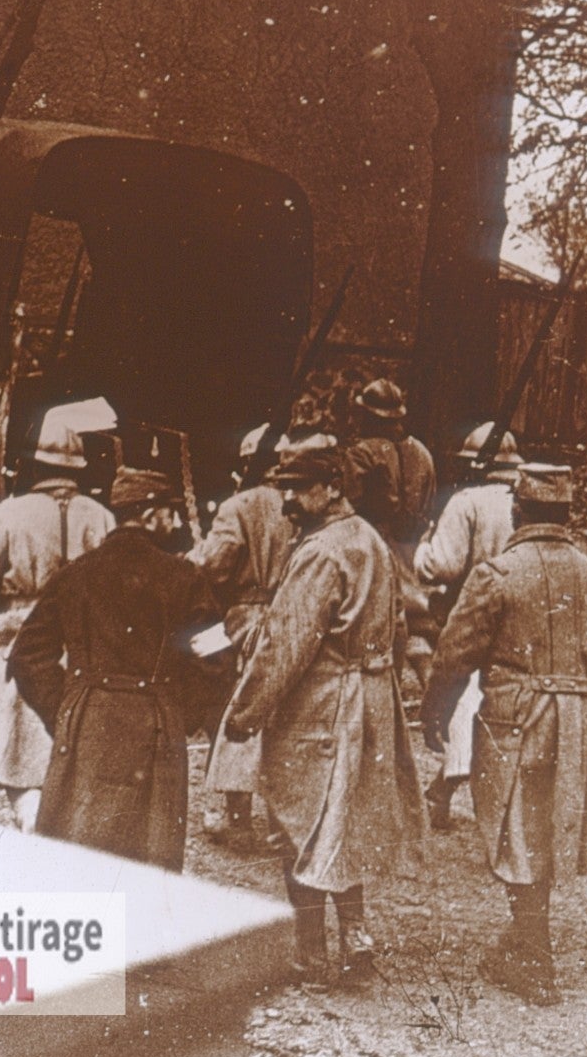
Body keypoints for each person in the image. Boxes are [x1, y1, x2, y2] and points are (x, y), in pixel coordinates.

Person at [222, 443, 425, 991]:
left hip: (321, 705)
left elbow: (287, 643)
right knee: (342, 824)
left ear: (334, 486)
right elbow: (400, 625)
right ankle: (356, 938)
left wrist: (246, 712)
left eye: (300, 486)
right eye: (284, 485)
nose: (288, 498)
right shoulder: (372, 542)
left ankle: (311, 958)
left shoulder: (322, 552)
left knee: (300, 825)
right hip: (370, 698)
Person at [423, 463, 587, 1007]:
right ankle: (525, 940)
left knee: (517, 827)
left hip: (518, 719)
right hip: (575, 720)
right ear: (565, 514)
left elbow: (453, 655)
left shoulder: (498, 573)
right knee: (546, 828)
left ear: (519, 511)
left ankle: (534, 960)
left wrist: (435, 713)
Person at [8, 468, 228, 872]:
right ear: (148, 516)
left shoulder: (76, 574)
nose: (174, 522)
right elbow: (217, 661)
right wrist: (183, 715)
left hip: (87, 723)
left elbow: (26, 654)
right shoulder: (185, 577)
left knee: (79, 853)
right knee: (149, 858)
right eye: (168, 513)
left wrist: (65, 708)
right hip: (158, 727)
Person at [0, 414, 114, 833]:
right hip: (81, 633)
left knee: (15, 737)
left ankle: (30, 817)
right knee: (60, 739)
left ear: (35, 466)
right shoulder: (99, 516)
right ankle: (49, 815)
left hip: (21, 628)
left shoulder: (8, 514)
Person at [190, 422, 298, 849]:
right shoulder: (305, 504)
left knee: (239, 710)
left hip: (247, 619)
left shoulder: (240, 506)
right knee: (286, 713)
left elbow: (215, 565)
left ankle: (238, 819)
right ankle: (283, 823)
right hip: (295, 618)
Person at [413, 421, 523, 830]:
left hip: (473, 612)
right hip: (520, 617)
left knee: (465, 706)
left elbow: (444, 564)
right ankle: (446, 794)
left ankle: (441, 794)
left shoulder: (467, 502)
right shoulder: (529, 498)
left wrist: (422, 548)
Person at [344, 376, 436, 684]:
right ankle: (432, 695)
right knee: (416, 623)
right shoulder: (421, 452)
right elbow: (429, 497)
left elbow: (351, 504)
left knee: (382, 623)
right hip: (412, 545)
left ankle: (390, 689)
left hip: (375, 545)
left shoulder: (360, 453)